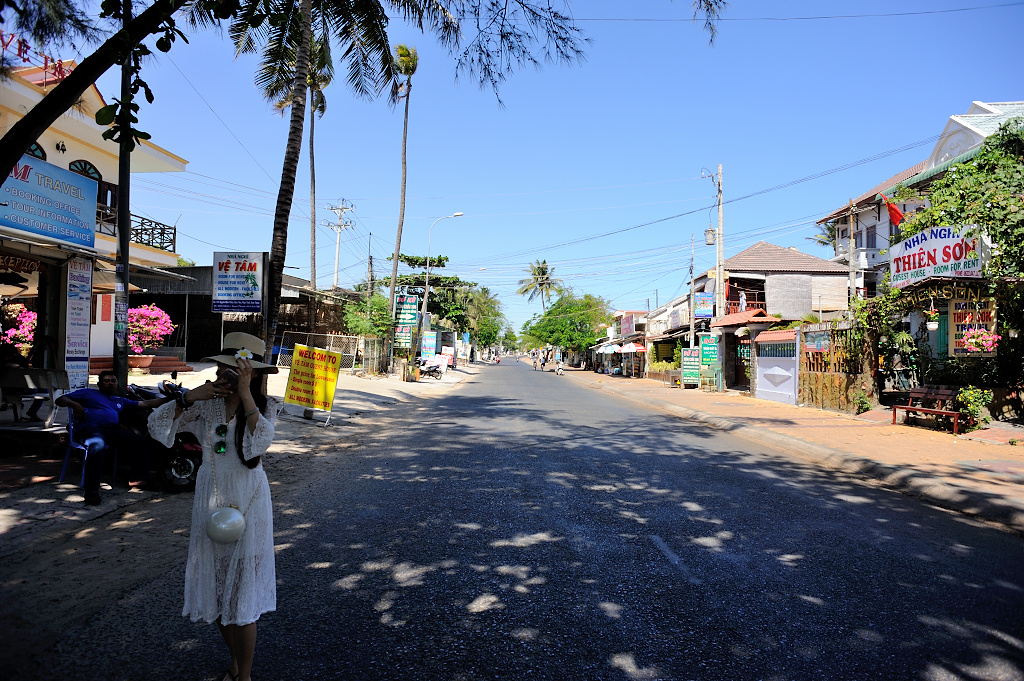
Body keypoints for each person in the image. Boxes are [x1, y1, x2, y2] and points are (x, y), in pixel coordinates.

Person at [148, 332, 279, 681]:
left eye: (234, 372)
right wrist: (190, 397)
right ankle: (234, 661)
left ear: (251, 374)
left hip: (250, 502)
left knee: (243, 596)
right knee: (220, 593)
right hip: (212, 499)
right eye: (222, 370)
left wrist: (247, 393)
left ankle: (245, 675)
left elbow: (261, 442)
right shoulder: (206, 407)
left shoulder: (265, 406)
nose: (223, 378)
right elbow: (157, 427)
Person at [55, 369, 168, 504]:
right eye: (106, 381)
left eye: (113, 381)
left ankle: (138, 480)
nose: (110, 383)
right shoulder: (88, 393)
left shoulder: (118, 400)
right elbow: (60, 399)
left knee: (141, 442)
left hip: (112, 430)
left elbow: (145, 404)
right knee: (97, 446)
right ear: (99, 384)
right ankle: (91, 492)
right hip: (90, 429)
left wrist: (169, 399)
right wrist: (74, 403)